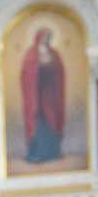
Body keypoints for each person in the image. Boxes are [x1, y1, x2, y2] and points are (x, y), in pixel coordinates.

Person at [20, 26, 68, 163]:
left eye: (48, 37)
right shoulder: (31, 54)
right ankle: (36, 154)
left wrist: (52, 69)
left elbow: (60, 72)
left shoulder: (54, 53)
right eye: (44, 37)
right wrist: (37, 71)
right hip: (36, 94)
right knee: (38, 123)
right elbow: (26, 74)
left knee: (51, 120)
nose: (46, 39)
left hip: (51, 94)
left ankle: (52, 152)